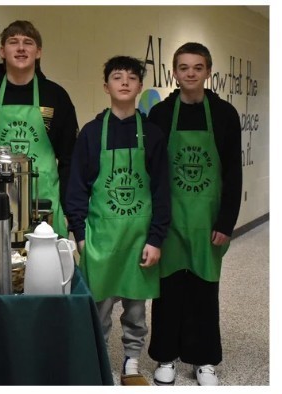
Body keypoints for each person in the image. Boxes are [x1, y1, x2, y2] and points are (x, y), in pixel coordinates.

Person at [66, 56, 171, 386]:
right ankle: (96, 361)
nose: (124, 82)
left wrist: (156, 238)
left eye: (131, 78)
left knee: (136, 311)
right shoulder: (92, 133)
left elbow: (161, 191)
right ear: (106, 86)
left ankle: (131, 361)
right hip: (100, 239)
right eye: (117, 77)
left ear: (140, 87)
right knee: (97, 309)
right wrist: (81, 235)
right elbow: (77, 188)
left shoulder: (152, 135)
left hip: (140, 240)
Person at [147, 42, 242, 386]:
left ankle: (204, 360)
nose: (190, 73)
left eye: (197, 67)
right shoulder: (159, 115)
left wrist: (226, 222)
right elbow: (152, 173)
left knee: (204, 287)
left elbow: (233, 172)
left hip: (208, 219)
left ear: (207, 72)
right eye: (184, 67)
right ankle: (164, 356)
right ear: (174, 72)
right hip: (168, 219)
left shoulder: (224, 114)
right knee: (168, 288)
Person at [0, 20, 78, 238]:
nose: (21, 48)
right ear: (2, 52)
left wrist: (68, 209)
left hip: (46, 208)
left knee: (47, 270)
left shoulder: (56, 96)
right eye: (13, 42)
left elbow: (70, 159)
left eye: (28, 42)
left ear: (39, 52)